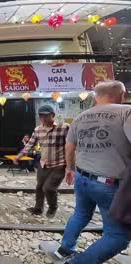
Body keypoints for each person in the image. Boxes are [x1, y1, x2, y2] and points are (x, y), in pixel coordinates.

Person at [54, 81, 131, 263]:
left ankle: (65, 249)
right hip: (109, 184)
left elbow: (70, 147)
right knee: (118, 236)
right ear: (121, 94)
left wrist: (70, 169)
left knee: (81, 214)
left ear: (96, 96)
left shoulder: (81, 117)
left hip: (82, 176)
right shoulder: (126, 112)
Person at [14, 105, 69, 218]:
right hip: (43, 164)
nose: (43, 118)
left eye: (46, 116)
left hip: (59, 165)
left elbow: (71, 145)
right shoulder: (38, 129)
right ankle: (38, 208)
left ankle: (53, 206)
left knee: (48, 188)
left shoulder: (64, 127)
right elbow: (30, 144)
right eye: (41, 116)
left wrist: (71, 167)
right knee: (39, 187)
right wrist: (20, 155)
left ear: (52, 115)